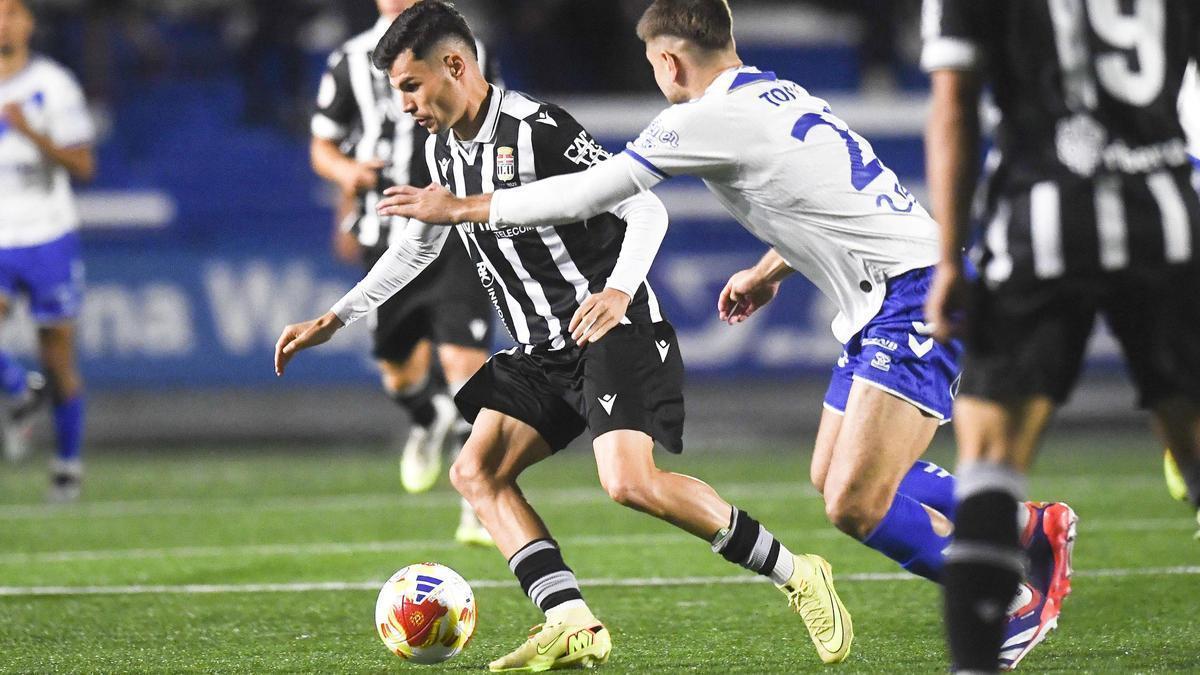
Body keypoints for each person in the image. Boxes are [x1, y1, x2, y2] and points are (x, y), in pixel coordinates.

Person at [376, 0, 1075, 667]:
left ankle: (1008, 597)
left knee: (855, 501)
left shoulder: (700, 120)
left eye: (653, 62)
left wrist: (463, 206)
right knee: (830, 475)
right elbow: (838, 192)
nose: (655, 77)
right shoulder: (779, 93)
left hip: (913, 297)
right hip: (885, 294)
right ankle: (1023, 524)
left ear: (671, 62)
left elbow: (597, 191)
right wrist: (773, 268)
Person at [276, 2, 852, 670]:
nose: (404, 105)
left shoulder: (537, 130)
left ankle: (798, 572)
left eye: (410, 85)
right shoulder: (443, 149)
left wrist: (617, 291)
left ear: (454, 66)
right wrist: (336, 316)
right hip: (541, 348)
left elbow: (645, 207)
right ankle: (572, 620)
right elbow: (418, 246)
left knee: (629, 482)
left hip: (610, 326)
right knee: (476, 472)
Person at [921, 0, 1200, 671]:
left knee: (989, 460)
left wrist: (951, 258)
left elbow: (953, 105)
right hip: (1164, 218)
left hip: (1040, 224)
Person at [309, 0, 497, 545]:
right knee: (399, 371)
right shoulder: (348, 61)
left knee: (466, 363)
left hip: (456, 227)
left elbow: (490, 117)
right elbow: (322, 144)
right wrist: (346, 175)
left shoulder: (463, 49)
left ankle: (477, 501)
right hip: (385, 229)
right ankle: (426, 416)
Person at [0, 0, 93, 501]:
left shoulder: (53, 85)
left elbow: (83, 164)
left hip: (48, 233)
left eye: (12, 12)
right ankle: (18, 388)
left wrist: (31, 132)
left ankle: (67, 465)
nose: (4, 22)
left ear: (29, 23)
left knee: (56, 355)